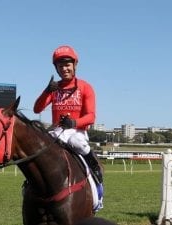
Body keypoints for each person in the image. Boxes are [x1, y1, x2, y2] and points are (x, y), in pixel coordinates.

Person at [33, 45, 103, 184]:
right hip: (57, 132)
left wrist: (73, 123)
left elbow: (91, 116)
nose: (64, 69)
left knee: (76, 142)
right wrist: (47, 91)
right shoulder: (54, 88)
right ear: (56, 69)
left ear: (75, 64)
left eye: (67, 64)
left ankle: (94, 166)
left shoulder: (85, 87)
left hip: (77, 132)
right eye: (60, 66)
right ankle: (32, 182)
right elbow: (37, 109)